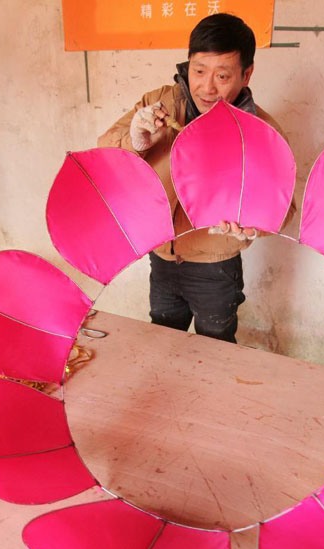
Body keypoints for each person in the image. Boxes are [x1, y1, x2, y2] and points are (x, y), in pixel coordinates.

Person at [98, 13, 295, 343]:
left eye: (222, 75)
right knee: (162, 342)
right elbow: (105, 156)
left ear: (246, 74)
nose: (207, 86)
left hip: (214, 267)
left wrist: (254, 224)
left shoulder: (262, 133)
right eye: (199, 71)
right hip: (162, 256)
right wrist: (136, 140)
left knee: (215, 350)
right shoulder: (158, 104)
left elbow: (283, 209)